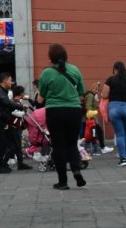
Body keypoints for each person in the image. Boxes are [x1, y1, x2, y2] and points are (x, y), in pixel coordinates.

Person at [37, 43, 86, 190]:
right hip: (74, 110)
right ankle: (76, 170)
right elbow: (82, 91)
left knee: (58, 145)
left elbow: (42, 96)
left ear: (50, 58)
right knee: (72, 142)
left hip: (55, 111)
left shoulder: (47, 73)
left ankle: (63, 182)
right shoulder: (75, 69)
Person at [102, 61, 126, 166]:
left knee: (120, 134)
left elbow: (104, 95)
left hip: (115, 108)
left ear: (115, 69)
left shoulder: (111, 79)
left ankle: (122, 159)